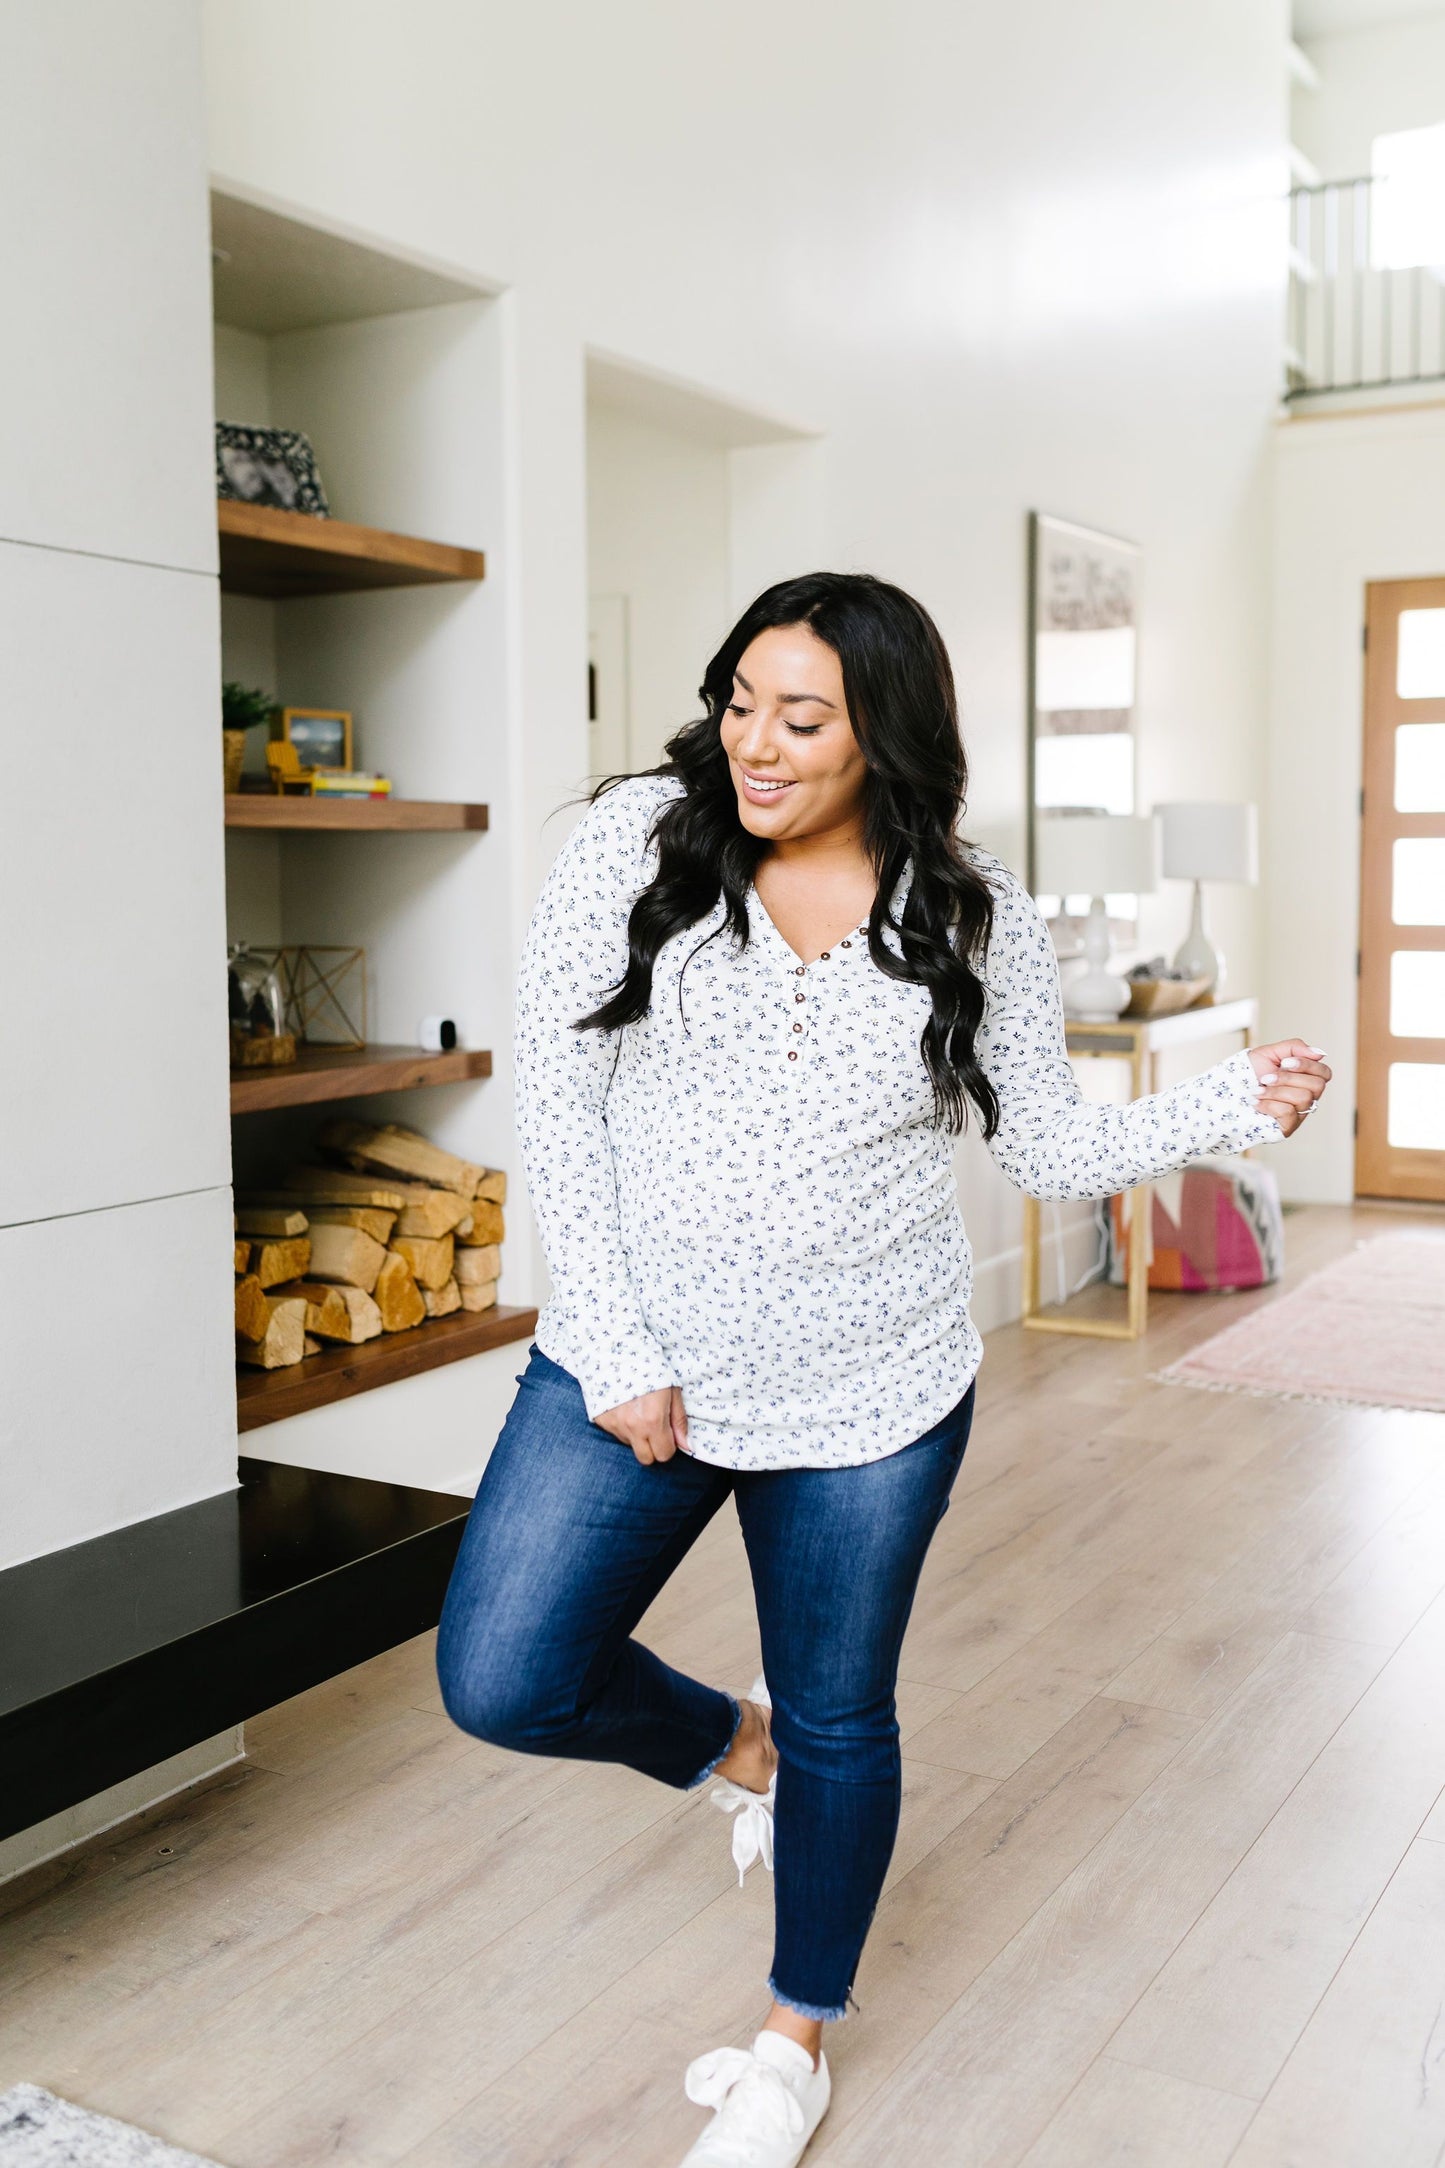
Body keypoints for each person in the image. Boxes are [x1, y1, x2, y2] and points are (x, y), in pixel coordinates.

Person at [434, 571, 1329, 2167]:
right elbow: (559, 1109)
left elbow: (1045, 1144)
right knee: (504, 1674)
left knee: (848, 1715)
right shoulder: (639, 842)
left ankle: (793, 2037)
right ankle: (737, 1746)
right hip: (634, 1370)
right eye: (738, 704)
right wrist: (623, 1352)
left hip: (873, 1390)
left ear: (884, 735)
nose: (755, 747)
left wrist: (1229, 1109)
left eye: (802, 719)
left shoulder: (964, 907)